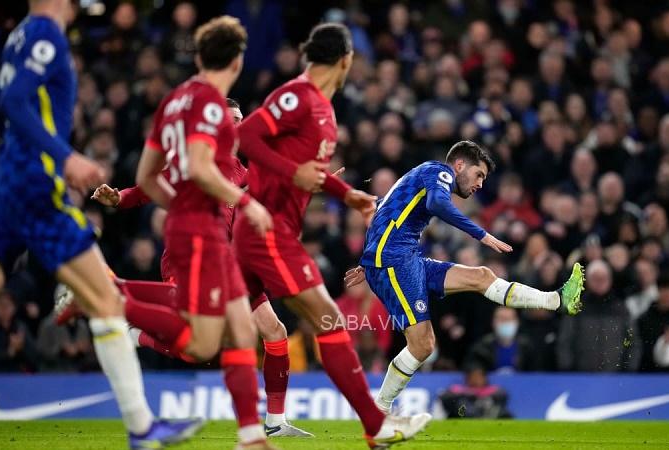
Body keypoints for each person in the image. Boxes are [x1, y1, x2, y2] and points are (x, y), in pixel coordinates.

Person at [0, 1, 202, 448]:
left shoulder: (18, 36)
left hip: (4, 184)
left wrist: (24, 150)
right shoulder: (47, 34)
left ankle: (142, 428)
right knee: (107, 300)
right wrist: (63, 155)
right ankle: (142, 428)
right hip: (36, 189)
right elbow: (12, 102)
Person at [235, 23, 431, 448]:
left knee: (205, 330)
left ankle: (125, 307)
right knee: (330, 320)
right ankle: (375, 425)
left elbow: (311, 174)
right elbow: (245, 135)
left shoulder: (324, 108)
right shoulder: (298, 95)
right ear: (346, 60)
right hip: (267, 231)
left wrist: (348, 195)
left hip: (266, 230)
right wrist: (294, 172)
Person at [87, 98, 311, 437]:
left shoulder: (242, 171)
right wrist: (120, 198)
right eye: (230, 119)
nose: (237, 125)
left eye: (240, 119)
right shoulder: (195, 161)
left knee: (274, 331)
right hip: (187, 258)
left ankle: (275, 422)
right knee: (199, 348)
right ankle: (127, 316)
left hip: (230, 264)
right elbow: (152, 186)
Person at [345, 140, 584, 415]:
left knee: (481, 276)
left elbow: (382, 211)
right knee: (423, 344)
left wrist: (369, 260)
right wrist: (481, 234)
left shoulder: (418, 177)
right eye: (478, 174)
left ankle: (556, 300)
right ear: (459, 165)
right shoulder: (439, 172)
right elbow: (437, 203)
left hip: (403, 259)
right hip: (395, 261)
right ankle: (379, 411)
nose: (480, 184)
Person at [133, 16, 275, 449]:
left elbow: (145, 177)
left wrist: (177, 206)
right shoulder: (211, 105)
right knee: (201, 341)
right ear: (236, 62)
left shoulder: (173, 102)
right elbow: (199, 167)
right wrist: (245, 203)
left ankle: (251, 436)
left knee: (239, 332)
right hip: (200, 230)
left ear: (198, 57)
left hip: (193, 225)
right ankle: (112, 295)